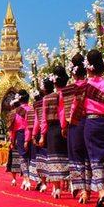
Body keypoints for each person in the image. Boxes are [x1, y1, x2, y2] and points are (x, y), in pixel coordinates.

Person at [75, 50, 104, 207]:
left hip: (91, 124)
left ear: (88, 68)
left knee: (95, 159)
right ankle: (103, 189)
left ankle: (102, 193)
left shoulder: (84, 88)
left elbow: (76, 109)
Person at [62, 53, 92, 203]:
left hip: (74, 124)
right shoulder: (91, 86)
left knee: (77, 157)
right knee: (88, 157)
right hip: (89, 122)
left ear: (73, 72)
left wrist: (63, 127)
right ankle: (88, 190)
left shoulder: (68, 90)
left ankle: (81, 189)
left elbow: (64, 113)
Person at [38, 67, 70, 198]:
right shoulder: (70, 95)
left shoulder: (47, 99)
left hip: (53, 129)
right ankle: (71, 184)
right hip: (69, 128)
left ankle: (57, 188)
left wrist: (42, 135)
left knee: (54, 159)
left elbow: (44, 120)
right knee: (68, 157)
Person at [8, 90, 33, 191]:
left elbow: (13, 128)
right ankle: (28, 179)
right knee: (31, 158)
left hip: (21, 134)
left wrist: (12, 140)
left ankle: (27, 179)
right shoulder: (31, 109)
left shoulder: (16, 112)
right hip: (33, 134)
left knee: (23, 158)